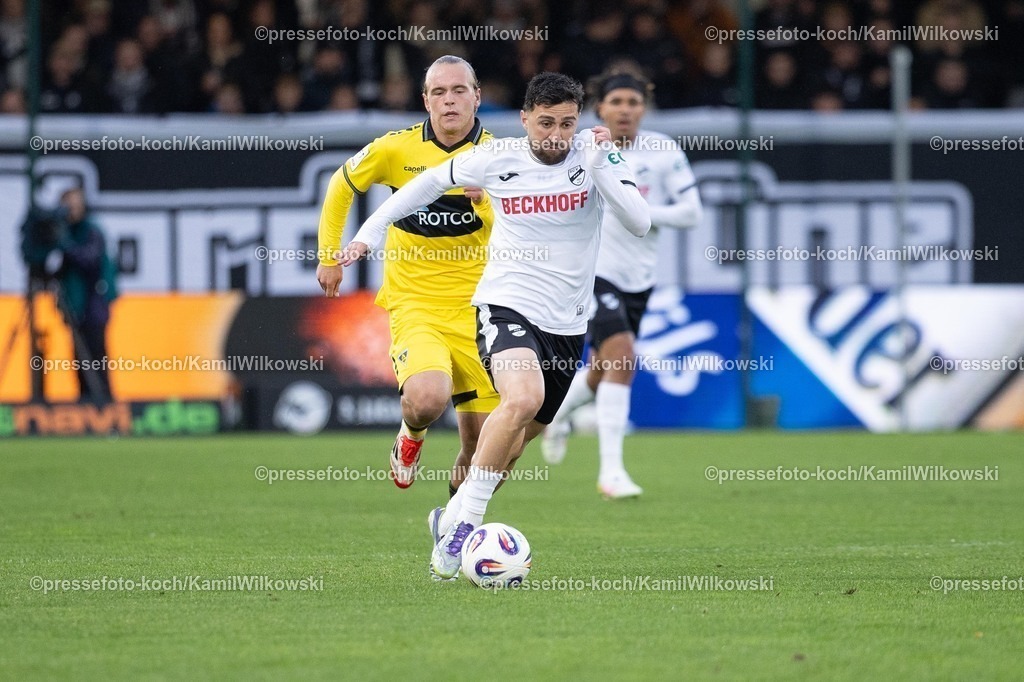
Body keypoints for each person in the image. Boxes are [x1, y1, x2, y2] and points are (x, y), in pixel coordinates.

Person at [339, 72, 651, 580]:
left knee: (514, 439)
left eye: (567, 124)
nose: (555, 135)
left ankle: (452, 517)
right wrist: (368, 238)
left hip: (568, 323)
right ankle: (465, 531)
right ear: (525, 118)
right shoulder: (497, 157)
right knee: (521, 398)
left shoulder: (596, 156)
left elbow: (640, 221)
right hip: (505, 304)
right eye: (545, 123)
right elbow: (423, 185)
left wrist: (599, 166)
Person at [316, 55, 499, 493]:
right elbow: (341, 185)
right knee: (427, 400)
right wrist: (328, 256)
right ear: (425, 101)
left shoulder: (499, 155)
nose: (449, 101)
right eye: (439, 92)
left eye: (459, 91)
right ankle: (411, 435)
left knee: (484, 450)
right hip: (415, 303)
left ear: (478, 97)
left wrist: (485, 205)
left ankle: (455, 531)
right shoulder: (395, 148)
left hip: (481, 311)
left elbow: (517, 227)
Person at [541, 70, 704, 498]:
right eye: (616, 102)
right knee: (623, 357)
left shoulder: (663, 150)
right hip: (589, 273)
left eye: (633, 102)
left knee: (603, 371)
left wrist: (639, 209)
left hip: (639, 279)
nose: (625, 110)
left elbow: (691, 213)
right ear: (599, 108)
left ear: (643, 107)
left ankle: (556, 415)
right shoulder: (579, 150)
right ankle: (611, 473)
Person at [20, 188, 118, 402]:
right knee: (79, 361)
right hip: (75, 307)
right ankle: (85, 404)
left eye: (74, 204)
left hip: (93, 307)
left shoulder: (90, 231)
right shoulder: (67, 231)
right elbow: (57, 269)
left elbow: (89, 260)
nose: (70, 210)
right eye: (67, 205)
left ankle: (104, 407)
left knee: (95, 359)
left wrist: (64, 244)